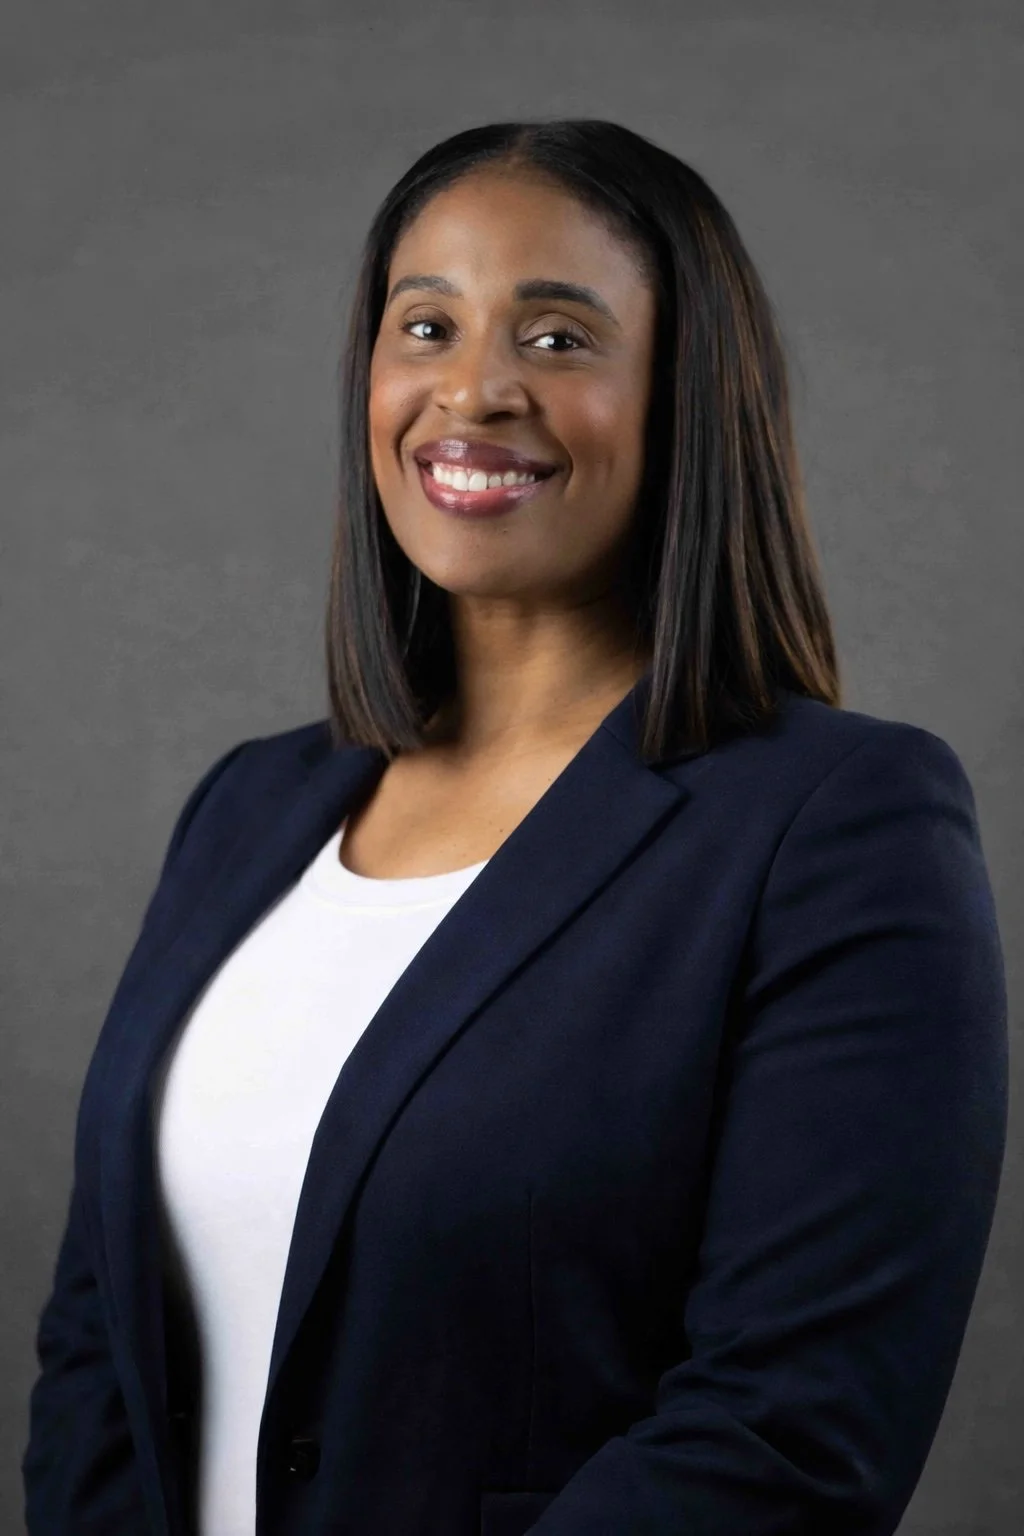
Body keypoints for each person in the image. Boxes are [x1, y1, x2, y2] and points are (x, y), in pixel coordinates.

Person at [23, 118, 1008, 1536]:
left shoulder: (835, 826)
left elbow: (791, 1427)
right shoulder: (247, 809)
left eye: (557, 338)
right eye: (426, 326)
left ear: (683, 395)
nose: (474, 388)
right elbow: (98, 1349)